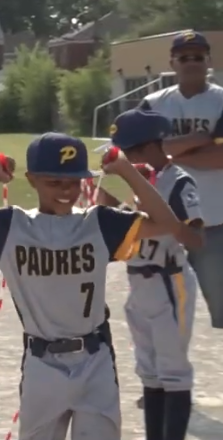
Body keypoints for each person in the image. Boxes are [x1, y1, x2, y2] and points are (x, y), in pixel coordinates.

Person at [0, 133, 184, 440]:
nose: (66, 190)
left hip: (95, 360)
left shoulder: (101, 222)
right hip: (42, 363)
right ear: (32, 180)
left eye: (74, 181)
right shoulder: (11, 225)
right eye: (54, 182)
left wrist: (126, 170)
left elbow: (168, 224)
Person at [97, 110, 203, 440]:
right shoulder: (144, 180)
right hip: (139, 282)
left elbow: (195, 238)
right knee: (150, 372)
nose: (127, 159)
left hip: (169, 280)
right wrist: (108, 202)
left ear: (151, 147)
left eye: (131, 151)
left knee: (173, 371)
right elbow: (135, 224)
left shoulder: (178, 181)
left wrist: (161, 219)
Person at [137, 31, 223, 329]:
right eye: (184, 57)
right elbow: (137, 153)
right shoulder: (152, 103)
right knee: (162, 310)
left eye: (198, 56)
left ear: (208, 60)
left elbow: (221, 158)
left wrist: (166, 153)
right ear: (172, 62)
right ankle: (166, 374)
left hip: (215, 221)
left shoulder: (221, 101)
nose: (191, 62)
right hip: (163, 222)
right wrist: (202, 140)